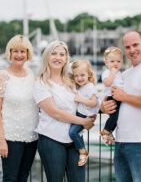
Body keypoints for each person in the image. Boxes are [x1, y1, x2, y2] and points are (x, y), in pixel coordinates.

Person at [103, 30, 141, 182]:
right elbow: (114, 99)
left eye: (135, 45)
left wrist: (123, 96)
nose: (132, 50)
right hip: (122, 141)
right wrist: (103, 107)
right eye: (128, 47)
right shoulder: (125, 74)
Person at [33, 40, 95, 182]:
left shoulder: (72, 80)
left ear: (66, 58)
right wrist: (83, 122)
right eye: (53, 53)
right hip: (51, 138)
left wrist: (94, 111)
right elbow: (55, 112)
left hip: (74, 139)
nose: (58, 57)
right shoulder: (40, 83)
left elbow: (88, 96)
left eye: (62, 54)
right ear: (47, 57)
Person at [0, 35, 39, 182]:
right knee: (10, 178)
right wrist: (1, 140)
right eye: (15, 51)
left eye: (23, 51)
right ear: (10, 53)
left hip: (31, 136)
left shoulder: (31, 74)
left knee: (23, 177)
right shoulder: (2, 76)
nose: (19, 55)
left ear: (28, 54)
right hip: (11, 137)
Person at [69, 59, 99, 166]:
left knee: (72, 132)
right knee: (74, 132)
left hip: (85, 116)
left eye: (82, 75)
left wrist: (80, 99)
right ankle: (81, 150)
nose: (79, 78)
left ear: (89, 75)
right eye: (76, 76)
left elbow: (94, 103)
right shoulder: (81, 86)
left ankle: (83, 151)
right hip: (80, 114)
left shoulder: (90, 87)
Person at [100, 47, 124, 145]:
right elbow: (107, 83)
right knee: (115, 116)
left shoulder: (120, 73)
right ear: (106, 63)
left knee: (118, 117)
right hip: (111, 97)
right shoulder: (107, 72)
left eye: (118, 61)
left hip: (119, 97)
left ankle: (109, 132)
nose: (115, 64)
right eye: (112, 61)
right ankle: (106, 130)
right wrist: (112, 74)